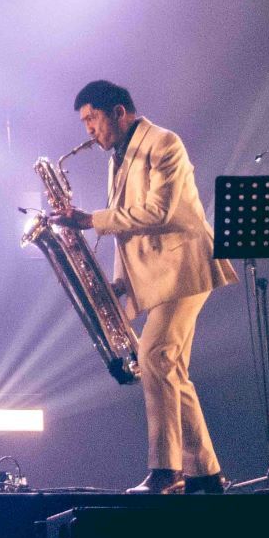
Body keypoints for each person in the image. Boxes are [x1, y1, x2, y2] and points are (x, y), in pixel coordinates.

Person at [52, 80, 233, 493]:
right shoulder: (118, 157)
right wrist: (118, 284)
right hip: (159, 275)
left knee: (153, 356)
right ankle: (206, 472)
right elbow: (126, 228)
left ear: (119, 111)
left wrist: (89, 219)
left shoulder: (164, 143)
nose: (89, 131)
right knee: (170, 368)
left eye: (92, 119)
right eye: (84, 123)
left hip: (186, 266)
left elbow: (158, 211)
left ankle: (167, 471)